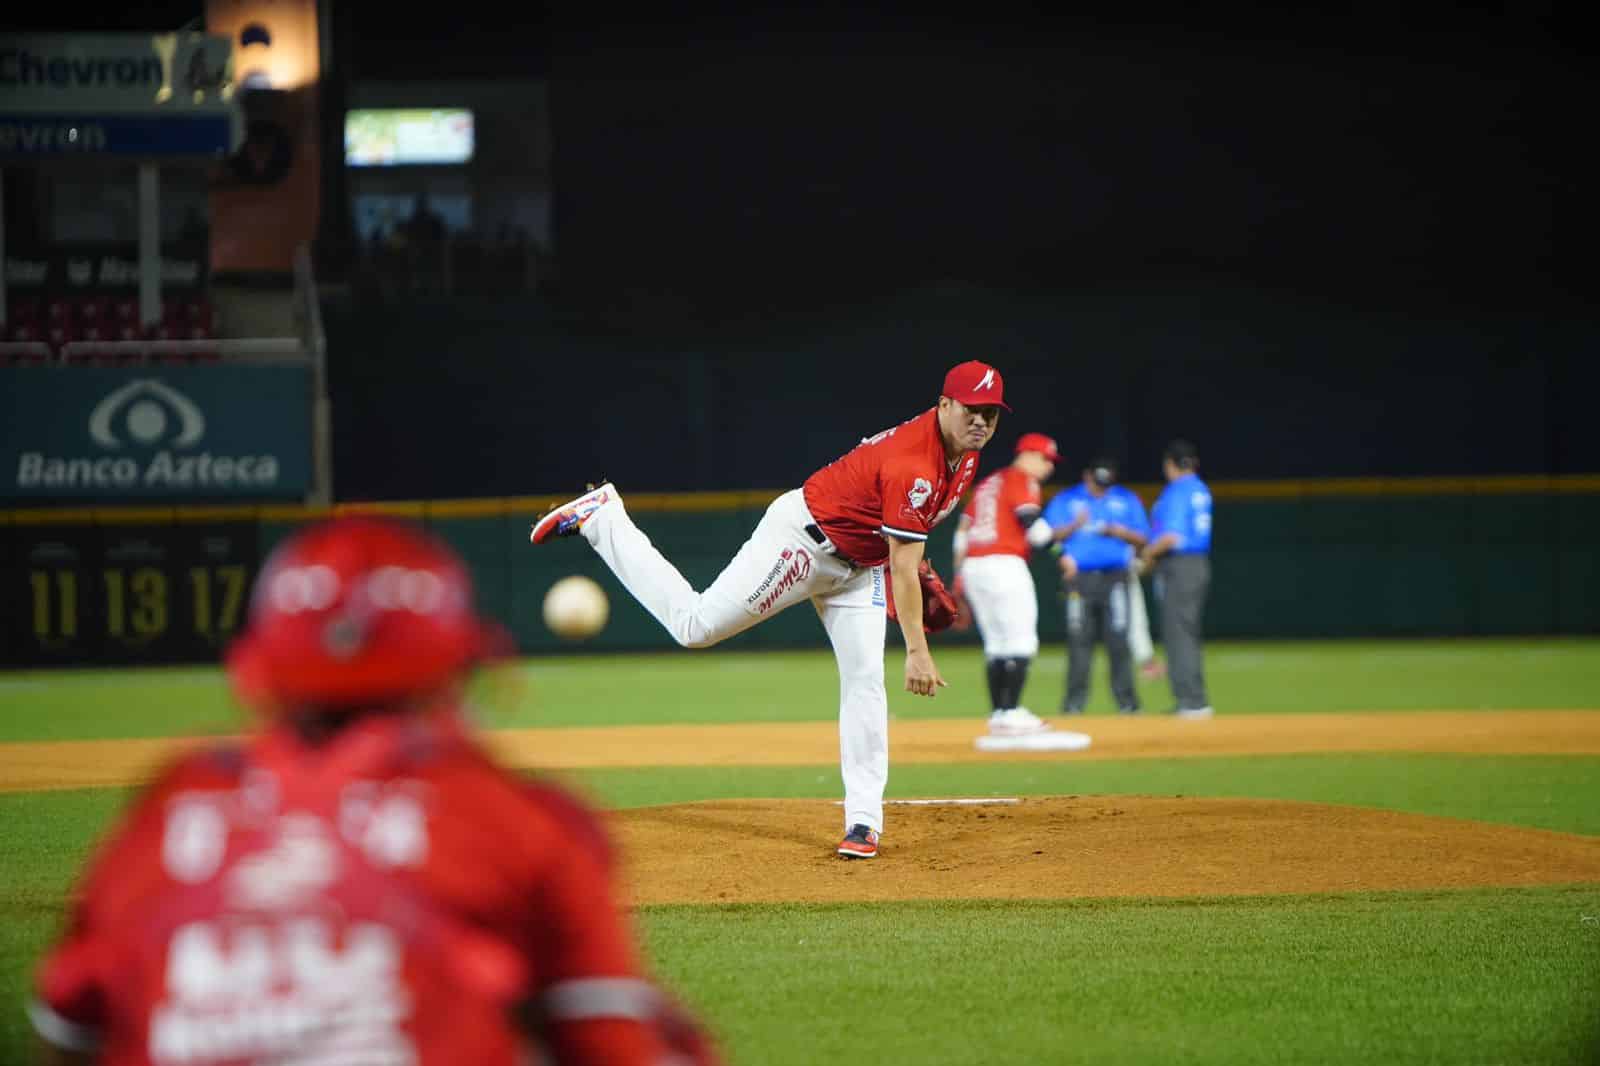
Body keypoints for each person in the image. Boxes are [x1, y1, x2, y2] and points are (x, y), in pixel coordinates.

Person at [29, 516, 720, 1066]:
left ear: (257, 670)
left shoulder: (167, 813)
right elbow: (614, 1047)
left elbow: (68, 1032)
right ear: (455, 667)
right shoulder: (511, 817)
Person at [530, 360, 1007, 860]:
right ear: (944, 405)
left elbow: (901, 544)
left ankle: (864, 822)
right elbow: (903, 563)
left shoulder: (965, 456)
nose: (981, 422)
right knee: (695, 627)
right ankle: (604, 517)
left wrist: (909, 566)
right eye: (972, 410)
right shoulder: (916, 463)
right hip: (803, 546)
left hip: (860, 566)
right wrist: (918, 650)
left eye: (991, 415)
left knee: (865, 680)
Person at [950, 432, 1061, 736]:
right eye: (1045, 459)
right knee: (1021, 641)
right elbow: (1033, 527)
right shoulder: (1021, 479)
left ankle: (1000, 712)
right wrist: (1060, 552)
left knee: (997, 644)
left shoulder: (989, 483)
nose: (1049, 467)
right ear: (1027, 455)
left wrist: (959, 573)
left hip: (975, 566)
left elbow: (962, 530)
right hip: (1004, 564)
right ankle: (1011, 712)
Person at [1041, 456, 1150, 714]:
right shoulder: (1067, 500)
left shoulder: (1125, 498)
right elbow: (1046, 535)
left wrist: (1120, 532)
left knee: (1118, 641)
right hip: (1079, 580)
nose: (1101, 488)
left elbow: (1144, 537)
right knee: (1079, 642)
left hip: (1115, 578)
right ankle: (1074, 704)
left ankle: (1128, 704)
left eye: (1106, 483)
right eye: (1097, 482)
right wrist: (1074, 526)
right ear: (1087, 476)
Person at [1138, 438, 1215, 719]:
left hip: (1180, 566)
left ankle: (1191, 701)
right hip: (1196, 564)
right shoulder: (1199, 488)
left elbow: (1172, 536)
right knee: (1187, 631)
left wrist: (1146, 554)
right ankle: (1194, 699)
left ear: (1171, 465)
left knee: (1178, 634)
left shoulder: (1178, 490)